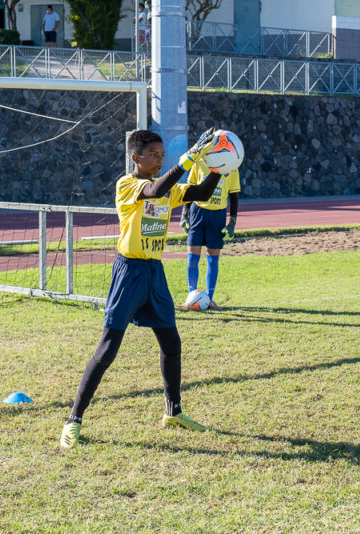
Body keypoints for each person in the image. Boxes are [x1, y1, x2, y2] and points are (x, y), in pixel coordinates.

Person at [59, 127, 221, 449]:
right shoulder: (127, 184)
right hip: (129, 273)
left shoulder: (167, 187)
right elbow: (155, 189)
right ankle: (73, 420)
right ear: (136, 157)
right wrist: (188, 158)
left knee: (172, 343)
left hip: (153, 273)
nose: (160, 160)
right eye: (153, 156)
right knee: (108, 349)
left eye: (163, 156)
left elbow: (200, 194)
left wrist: (219, 167)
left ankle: (173, 412)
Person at [179, 159, 241, 310]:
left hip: (218, 215)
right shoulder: (198, 162)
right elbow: (190, 188)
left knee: (213, 258)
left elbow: (234, 195)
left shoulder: (231, 165)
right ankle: (191, 299)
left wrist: (232, 222)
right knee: (192, 258)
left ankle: (209, 300)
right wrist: (184, 214)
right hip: (198, 213)